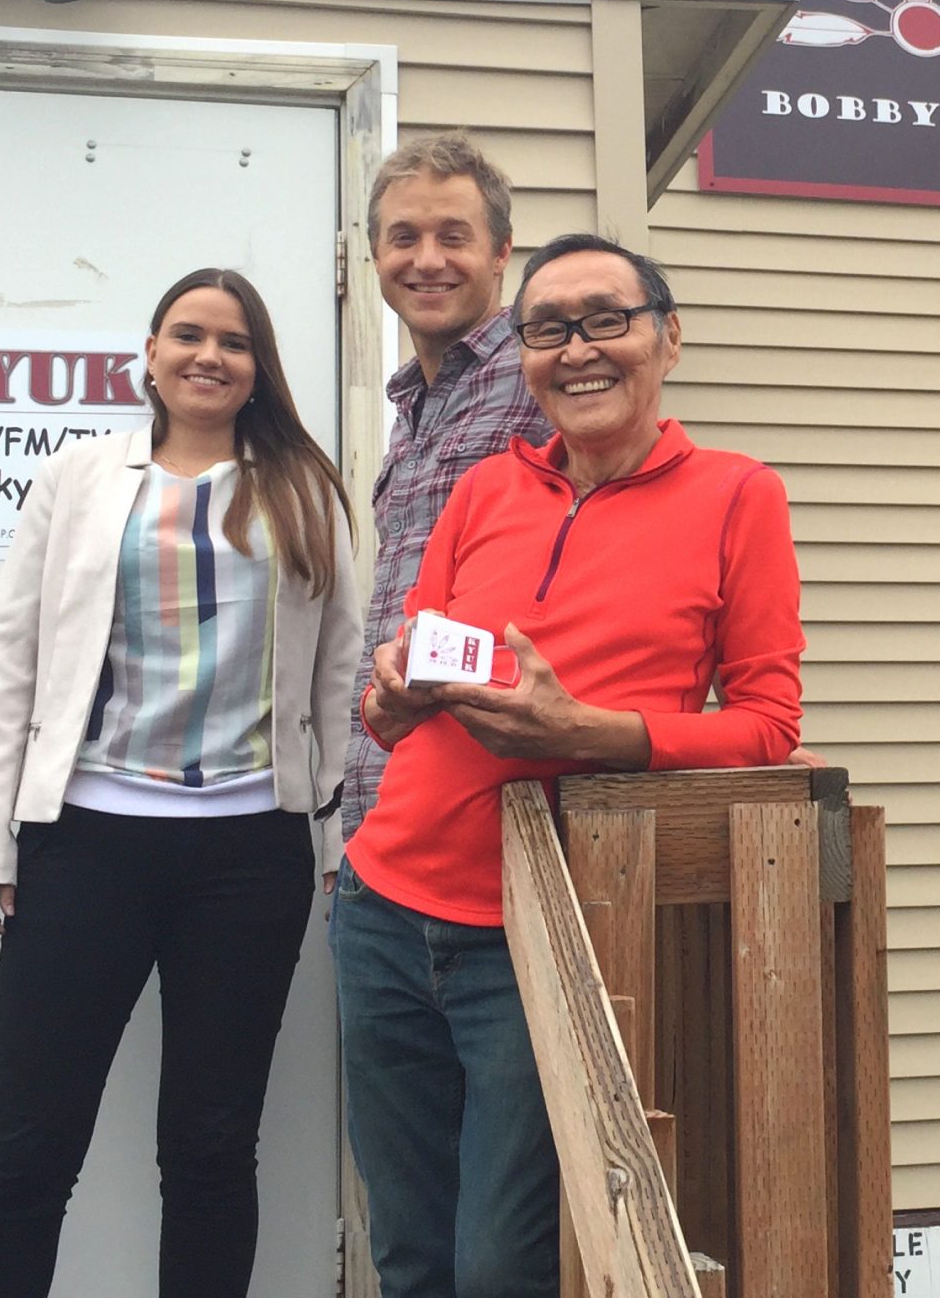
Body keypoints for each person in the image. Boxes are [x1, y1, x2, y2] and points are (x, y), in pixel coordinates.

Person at [334, 234, 804, 1298]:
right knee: (407, 1254)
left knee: (503, 1265)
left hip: (542, 925)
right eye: (547, 328)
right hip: (381, 905)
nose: (577, 349)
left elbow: (770, 723)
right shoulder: (486, 491)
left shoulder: (739, 495)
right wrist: (391, 695)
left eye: (606, 319)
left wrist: (592, 734)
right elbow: (399, 702)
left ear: (667, 338)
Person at [0, 267, 359, 1298]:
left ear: (259, 367)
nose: (207, 355)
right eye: (187, 333)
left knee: (214, 1148)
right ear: (151, 351)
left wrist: (341, 839)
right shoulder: (80, 475)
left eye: (233, 340)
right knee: (28, 1152)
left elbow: (343, 670)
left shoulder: (303, 487)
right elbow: (11, 663)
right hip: (86, 842)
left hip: (248, 854)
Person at [344, 131, 551, 840]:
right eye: (403, 237)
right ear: (376, 255)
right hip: (384, 815)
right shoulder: (409, 412)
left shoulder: (544, 374)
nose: (426, 259)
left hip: (501, 818)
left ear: (501, 254)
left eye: (453, 237)